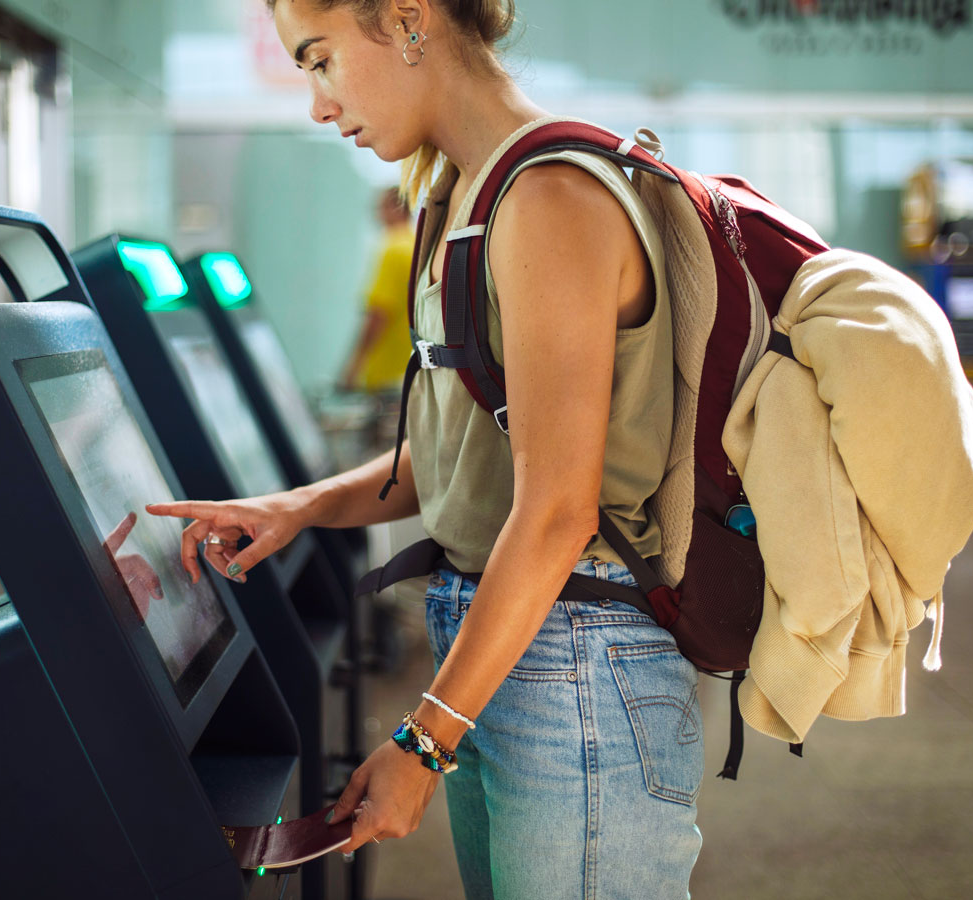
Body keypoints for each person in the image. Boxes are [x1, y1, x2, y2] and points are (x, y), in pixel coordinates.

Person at [148, 1, 703, 897]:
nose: (320, 105)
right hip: (506, 643)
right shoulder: (464, 198)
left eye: (321, 60)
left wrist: (423, 739)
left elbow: (558, 507)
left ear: (407, 21)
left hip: (575, 659)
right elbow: (462, 455)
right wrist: (299, 507)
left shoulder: (551, 196)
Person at [338, 186, 416, 395]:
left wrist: (352, 368)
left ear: (397, 207)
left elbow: (378, 314)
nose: (377, 215)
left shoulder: (393, 249)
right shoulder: (416, 245)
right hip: (409, 367)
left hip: (384, 373)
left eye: (380, 207)